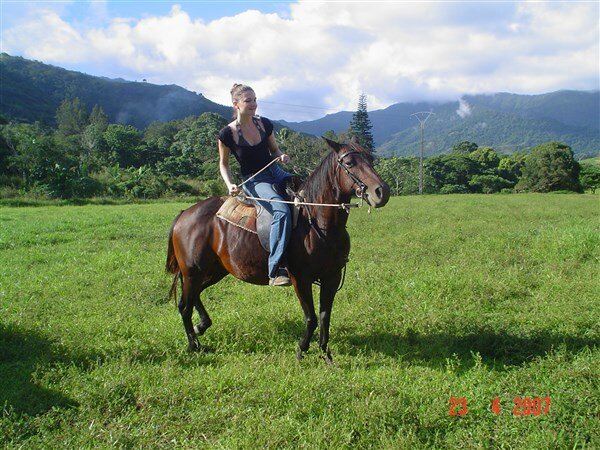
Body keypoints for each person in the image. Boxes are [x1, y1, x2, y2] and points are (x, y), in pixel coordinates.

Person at [218, 83, 293, 287]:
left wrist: (281, 156)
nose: (254, 104)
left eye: (255, 100)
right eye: (248, 101)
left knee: (304, 194)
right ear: (236, 104)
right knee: (282, 210)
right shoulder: (227, 134)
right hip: (254, 180)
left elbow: (275, 151)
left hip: (275, 172)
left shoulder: (265, 124)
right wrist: (230, 184)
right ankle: (276, 268)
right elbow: (223, 164)